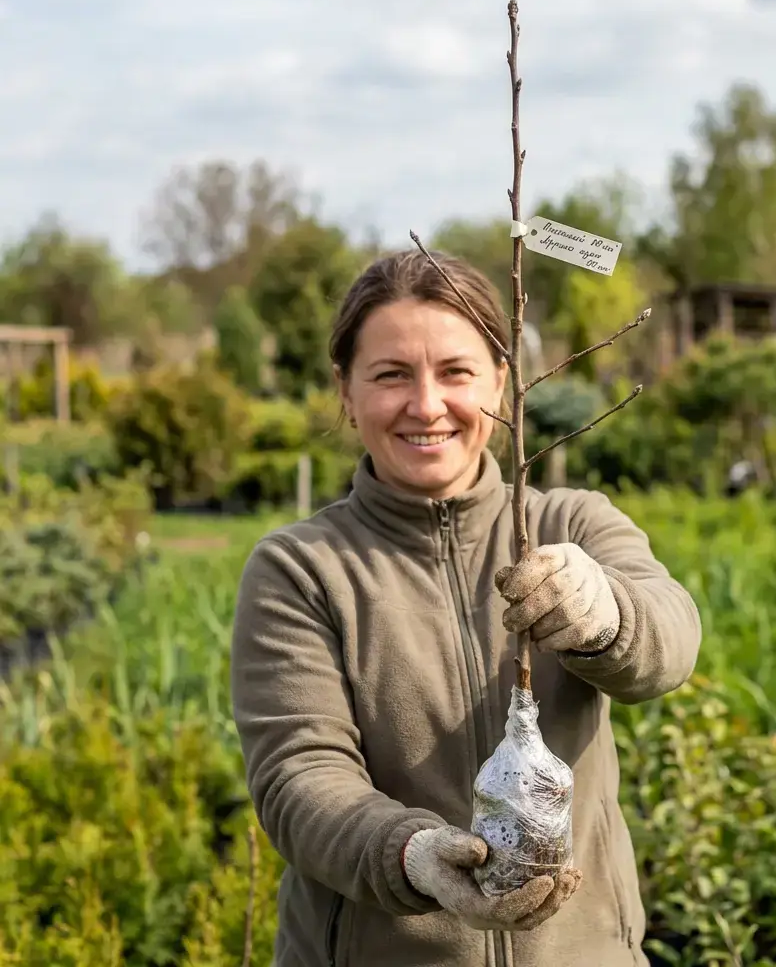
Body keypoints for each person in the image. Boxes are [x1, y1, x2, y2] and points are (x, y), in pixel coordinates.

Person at [230, 249, 702, 967]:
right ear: (346, 392)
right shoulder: (302, 570)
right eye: (391, 375)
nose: (426, 405)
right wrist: (414, 856)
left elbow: (670, 641)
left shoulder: (572, 525)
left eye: (456, 372)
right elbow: (301, 779)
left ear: (503, 383)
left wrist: (605, 615)